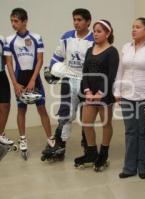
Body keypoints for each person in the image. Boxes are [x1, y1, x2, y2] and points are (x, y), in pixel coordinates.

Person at [114, 17, 145, 179]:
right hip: (127, 96)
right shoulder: (126, 47)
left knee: (143, 132)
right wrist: (117, 90)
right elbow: (121, 70)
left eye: (138, 27)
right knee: (130, 131)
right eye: (132, 27)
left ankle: (142, 166)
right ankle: (129, 167)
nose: (133, 30)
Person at [4, 8, 54, 160]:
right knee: (21, 110)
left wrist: (33, 80)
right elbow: (9, 64)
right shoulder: (9, 40)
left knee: (41, 108)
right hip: (19, 78)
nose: (13, 24)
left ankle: (50, 139)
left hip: (34, 78)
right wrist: (15, 84)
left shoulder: (36, 37)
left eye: (16, 21)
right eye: (11, 21)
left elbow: (40, 59)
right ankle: (23, 139)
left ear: (24, 21)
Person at [45, 8, 94, 160]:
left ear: (88, 22)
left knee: (86, 117)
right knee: (65, 113)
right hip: (68, 80)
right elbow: (57, 57)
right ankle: (59, 146)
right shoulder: (66, 37)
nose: (76, 23)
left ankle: (88, 147)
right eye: (74, 19)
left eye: (79, 20)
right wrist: (54, 71)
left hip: (86, 82)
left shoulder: (94, 39)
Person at [74, 20, 119, 171]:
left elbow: (111, 76)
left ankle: (103, 154)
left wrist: (99, 93)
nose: (95, 33)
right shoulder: (89, 50)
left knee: (106, 124)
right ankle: (92, 153)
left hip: (104, 96)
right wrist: (87, 91)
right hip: (89, 95)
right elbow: (85, 73)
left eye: (99, 31)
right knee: (86, 123)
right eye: (94, 31)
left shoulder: (112, 52)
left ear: (107, 33)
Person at [0, 35, 14, 148]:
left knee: (5, 105)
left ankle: (0, 134)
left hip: (1, 74)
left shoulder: (1, 39)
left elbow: (6, 59)